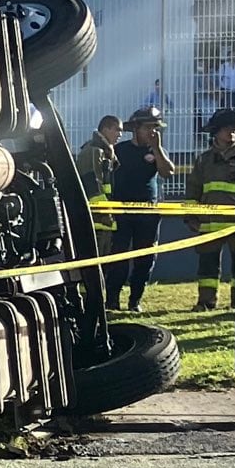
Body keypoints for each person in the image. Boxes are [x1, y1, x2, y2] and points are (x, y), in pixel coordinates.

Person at [104, 106, 175, 313]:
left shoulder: (157, 151)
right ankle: (112, 300)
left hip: (148, 213)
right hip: (121, 212)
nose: (153, 132)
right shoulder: (120, 150)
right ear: (136, 128)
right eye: (149, 128)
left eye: (156, 128)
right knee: (118, 257)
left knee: (145, 259)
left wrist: (157, 149)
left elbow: (167, 172)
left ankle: (135, 301)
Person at [185, 108, 235, 310]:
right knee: (207, 265)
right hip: (209, 223)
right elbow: (193, 189)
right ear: (215, 132)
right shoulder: (204, 160)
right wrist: (190, 216)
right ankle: (206, 302)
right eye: (227, 129)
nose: (232, 133)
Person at [77, 115, 122, 249]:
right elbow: (93, 186)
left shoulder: (106, 153)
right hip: (95, 221)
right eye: (117, 130)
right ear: (105, 129)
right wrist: (104, 213)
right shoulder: (93, 151)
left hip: (103, 220)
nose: (120, 134)